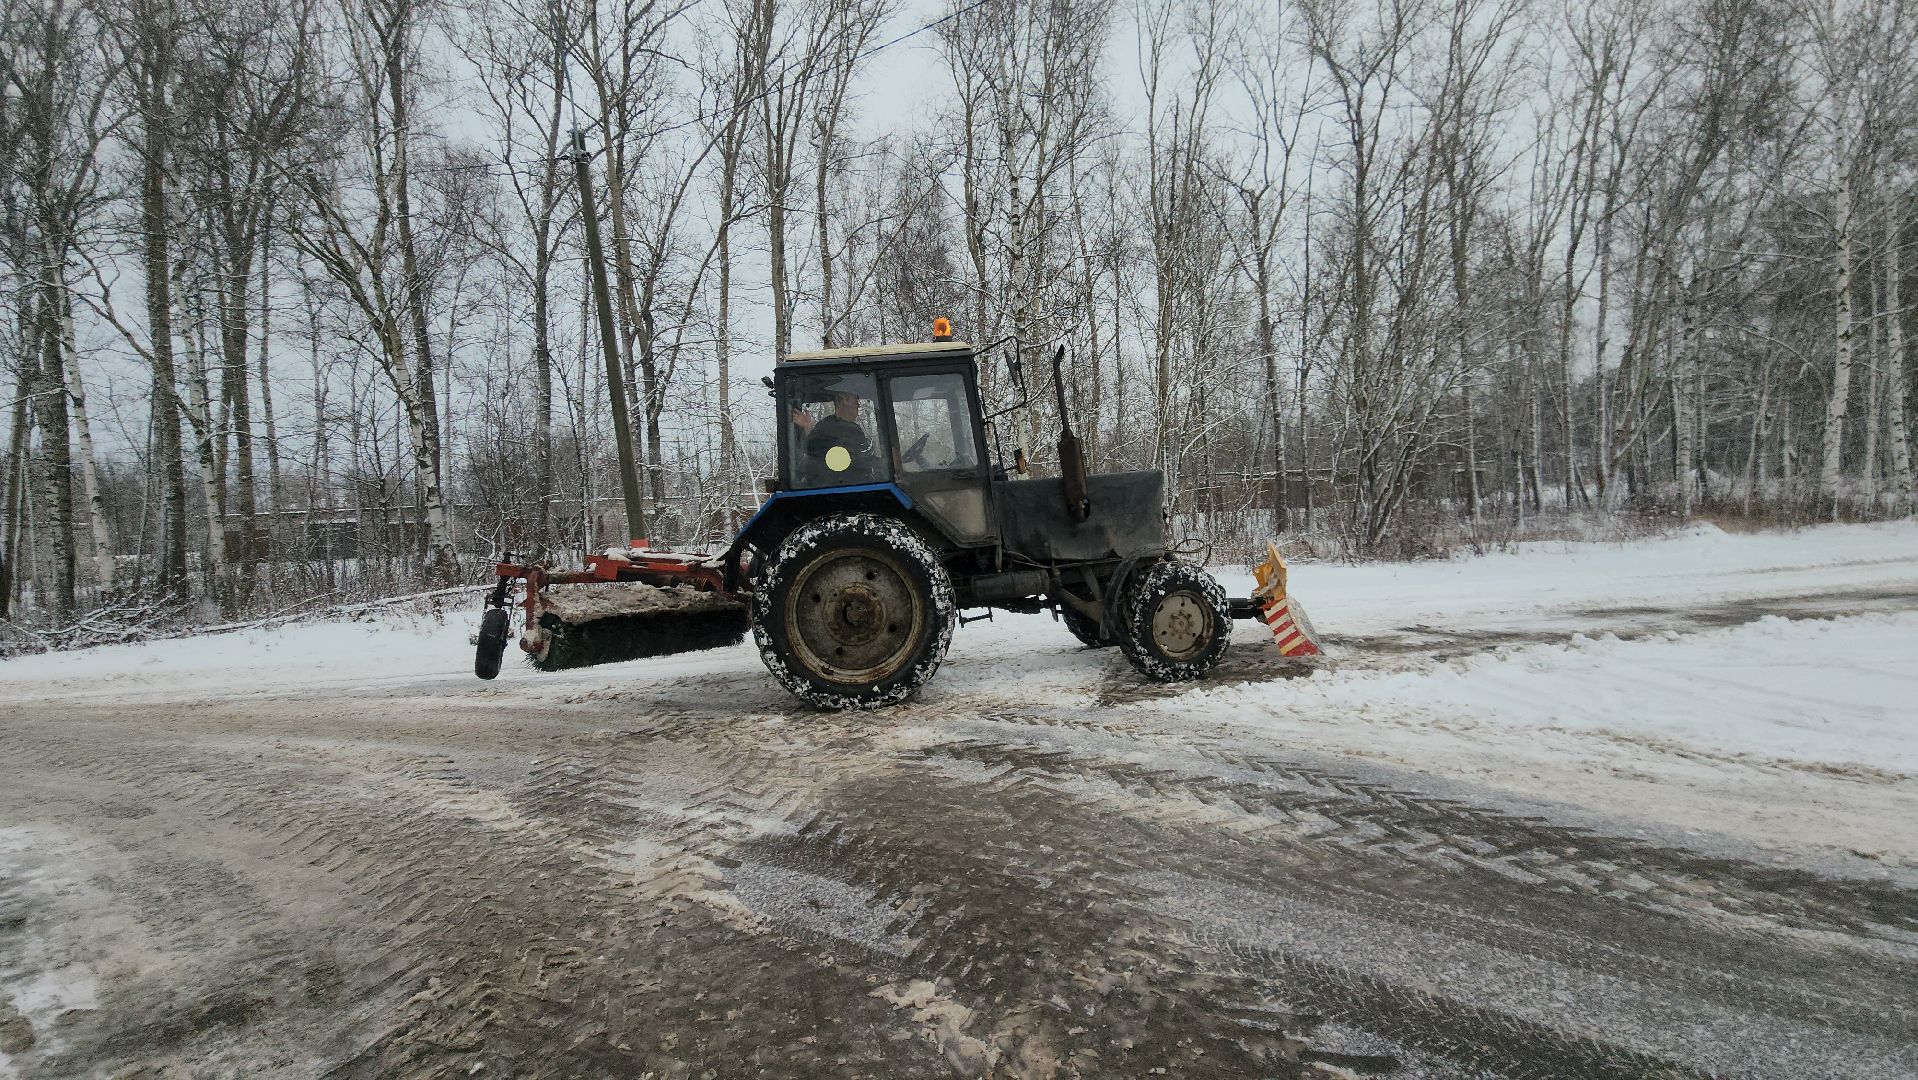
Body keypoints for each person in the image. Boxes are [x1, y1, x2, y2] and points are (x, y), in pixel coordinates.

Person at [791, 390, 877, 482]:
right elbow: (814, 449)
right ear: (843, 402)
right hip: (835, 482)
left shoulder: (855, 429)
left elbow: (863, 456)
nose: (858, 406)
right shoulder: (826, 426)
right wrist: (807, 427)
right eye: (855, 402)